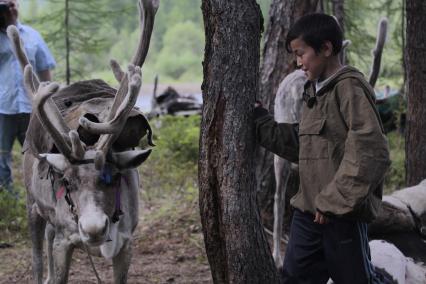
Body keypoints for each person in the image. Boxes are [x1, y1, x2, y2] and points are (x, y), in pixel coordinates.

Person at [254, 13, 391, 283]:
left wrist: (333, 201)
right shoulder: (313, 92)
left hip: (343, 219)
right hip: (307, 215)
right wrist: (260, 123)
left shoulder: (350, 89)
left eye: (301, 53)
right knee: (295, 278)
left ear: (326, 49)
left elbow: (371, 151)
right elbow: (305, 143)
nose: (298, 62)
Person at [0, 0, 56, 196]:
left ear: (18, 5)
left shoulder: (33, 36)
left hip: (32, 107)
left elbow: (44, 69)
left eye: (12, 3)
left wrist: (49, 101)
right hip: (2, 109)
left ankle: (39, 194)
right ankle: (9, 198)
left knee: (38, 154)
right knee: (2, 156)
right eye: (3, 5)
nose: (9, 8)